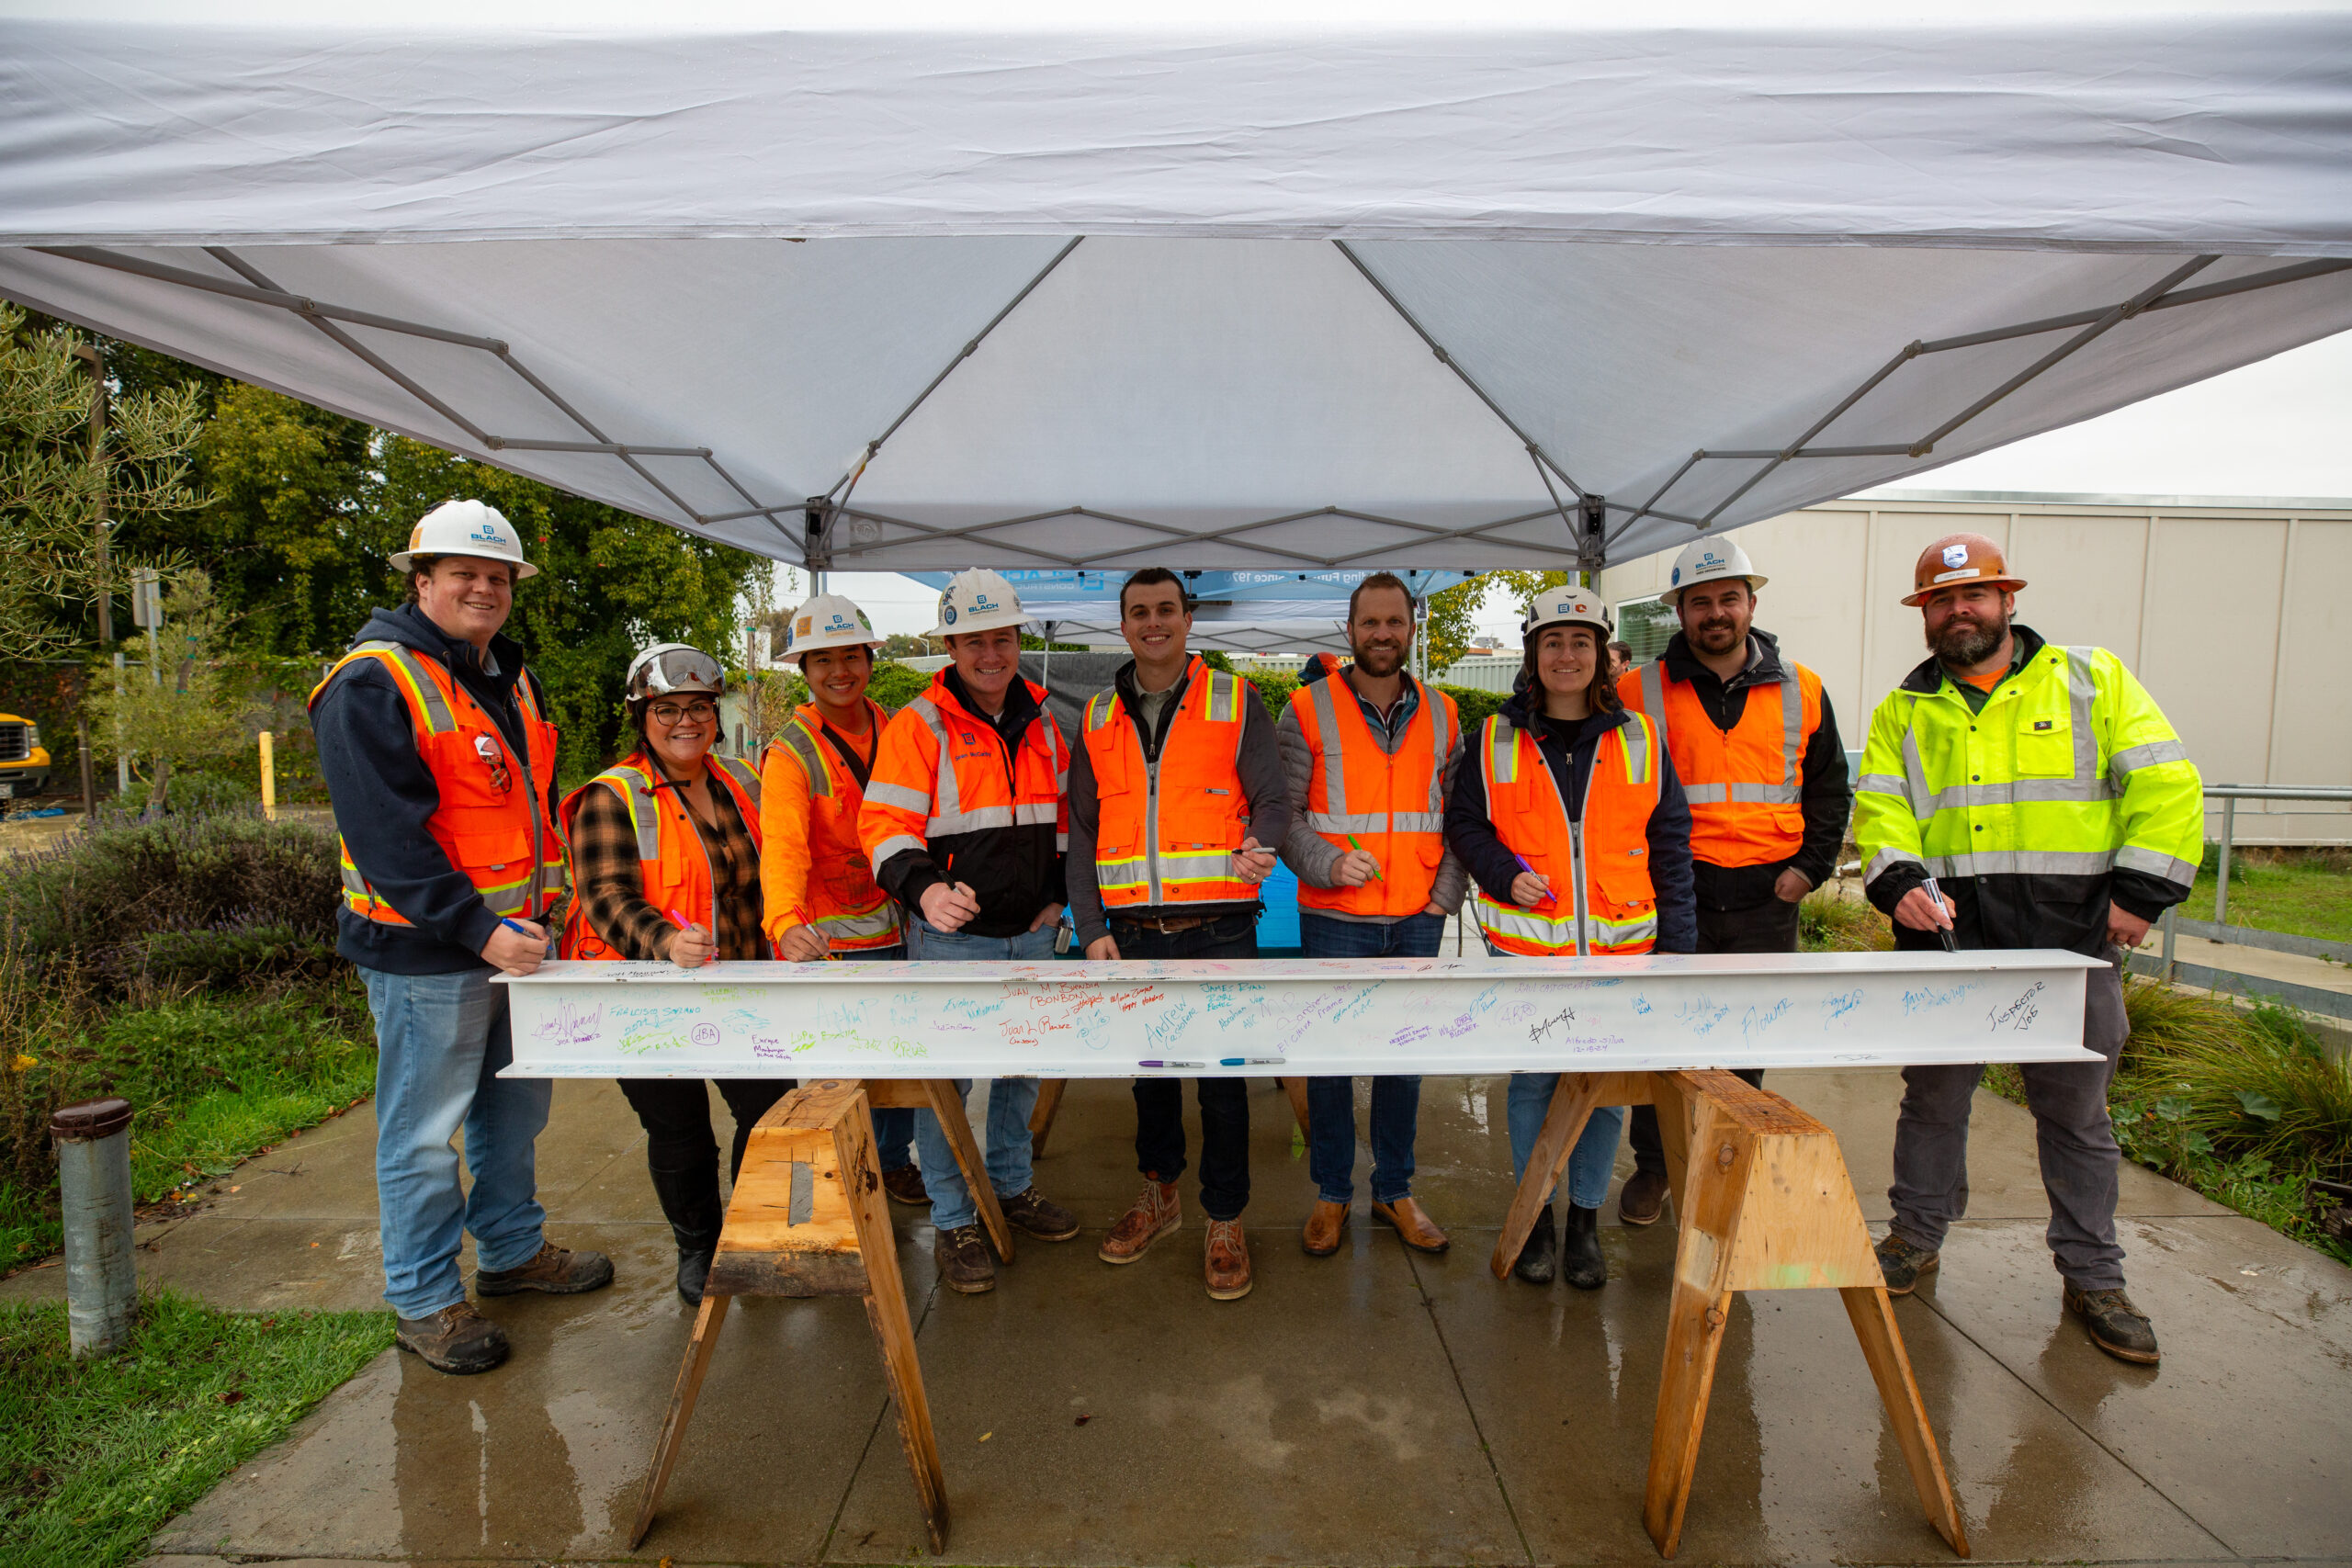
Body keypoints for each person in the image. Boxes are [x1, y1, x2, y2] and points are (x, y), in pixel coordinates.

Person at [1855, 533, 2201, 1366]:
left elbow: (2166, 782)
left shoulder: (2092, 679)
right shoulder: (1904, 709)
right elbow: (1880, 810)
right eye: (1941, 600)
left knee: (2076, 1117)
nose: (1958, 610)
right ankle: (1913, 1236)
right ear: (1925, 614)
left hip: (2070, 941)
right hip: (1949, 945)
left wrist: (2139, 892)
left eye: (1973, 595)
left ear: (2008, 599)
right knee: (1933, 1101)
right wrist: (1896, 876)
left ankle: (2094, 1276)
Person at [309, 499, 610, 1377]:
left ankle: (513, 1251)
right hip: (431, 954)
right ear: (423, 580)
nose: (484, 587)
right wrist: (482, 932)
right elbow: (387, 838)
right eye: (464, 574)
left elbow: (526, 812)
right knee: (421, 1133)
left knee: (514, 1114)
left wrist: (539, 922)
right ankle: (425, 1297)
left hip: (516, 945)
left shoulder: (510, 675)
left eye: (498, 576)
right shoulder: (374, 680)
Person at [1446, 589, 1696, 1287]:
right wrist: (1502, 873)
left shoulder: (1640, 737)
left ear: (1601, 654)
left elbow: (1671, 841)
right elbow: (1465, 824)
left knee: (1604, 1090)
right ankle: (1536, 1219)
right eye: (1553, 643)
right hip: (1528, 952)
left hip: (1622, 952)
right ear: (1533, 654)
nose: (1567, 655)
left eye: (1580, 642)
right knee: (1534, 1083)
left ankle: (1584, 1222)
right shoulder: (1495, 738)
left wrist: (1679, 947)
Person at [1067, 568, 1291, 1301]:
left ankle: (1223, 1218)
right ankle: (1159, 1196)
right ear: (1123, 625)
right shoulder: (1098, 714)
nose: (1153, 622)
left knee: (1224, 1085)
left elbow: (1274, 800)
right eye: (1139, 612)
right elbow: (1083, 832)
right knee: (1152, 1079)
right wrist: (1091, 927)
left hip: (1221, 929)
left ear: (1189, 620)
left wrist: (1261, 839)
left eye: (1167, 609)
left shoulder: (1234, 699)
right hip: (1131, 934)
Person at [1615, 537, 1850, 1226]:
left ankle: (1728, 1161)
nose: (1714, 613)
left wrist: (1809, 871)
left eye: (1727, 599)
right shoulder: (1639, 689)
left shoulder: (1802, 688)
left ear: (1751, 603)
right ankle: (1656, 1167)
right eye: (1699, 602)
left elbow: (1829, 789)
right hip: (1671, 892)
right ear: (1679, 612)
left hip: (1763, 896)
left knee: (1748, 1037)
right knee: (1661, 1035)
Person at [860, 569, 1080, 1293]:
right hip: (952, 940)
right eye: (975, 641)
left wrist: (1059, 902)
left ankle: (1010, 1187)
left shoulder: (1049, 722)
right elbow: (884, 826)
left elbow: (1066, 825)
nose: (991, 654)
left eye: (1003, 638)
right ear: (950, 645)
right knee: (946, 1084)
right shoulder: (917, 725)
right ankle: (955, 1217)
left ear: (1018, 639)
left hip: (1033, 934)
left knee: (1021, 1072)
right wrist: (922, 890)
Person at [560, 643, 786, 1306]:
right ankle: (700, 1246)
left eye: (699, 707)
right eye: (667, 709)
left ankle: (750, 1234)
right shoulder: (613, 795)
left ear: (716, 714)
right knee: (680, 1128)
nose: (685, 720)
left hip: (744, 986)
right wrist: (663, 940)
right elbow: (604, 896)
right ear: (642, 716)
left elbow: (773, 871)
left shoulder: (742, 781)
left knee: (770, 1113)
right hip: (650, 996)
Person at [1278, 572, 1466, 1257]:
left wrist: (1444, 896)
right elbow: (1285, 817)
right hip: (1335, 914)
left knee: (1403, 1058)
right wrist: (1327, 864)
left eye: (1395, 622)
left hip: (1418, 914)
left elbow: (1459, 820)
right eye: (1370, 622)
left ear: (1411, 629)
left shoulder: (1446, 715)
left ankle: (1395, 1188)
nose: (1382, 633)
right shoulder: (1304, 709)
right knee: (1328, 1060)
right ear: (1349, 630)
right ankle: (1332, 1193)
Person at [761, 592, 925, 1207]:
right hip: (832, 947)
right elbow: (782, 847)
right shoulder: (792, 750)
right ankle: (833, 1185)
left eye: (851, 655)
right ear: (804, 670)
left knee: (901, 1065)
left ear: (869, 659)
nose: (840, 671)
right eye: (822, 658)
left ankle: (891, 1165)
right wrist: (784, 919)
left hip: (905, 932)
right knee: (839, 1077)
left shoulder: (900, 728)